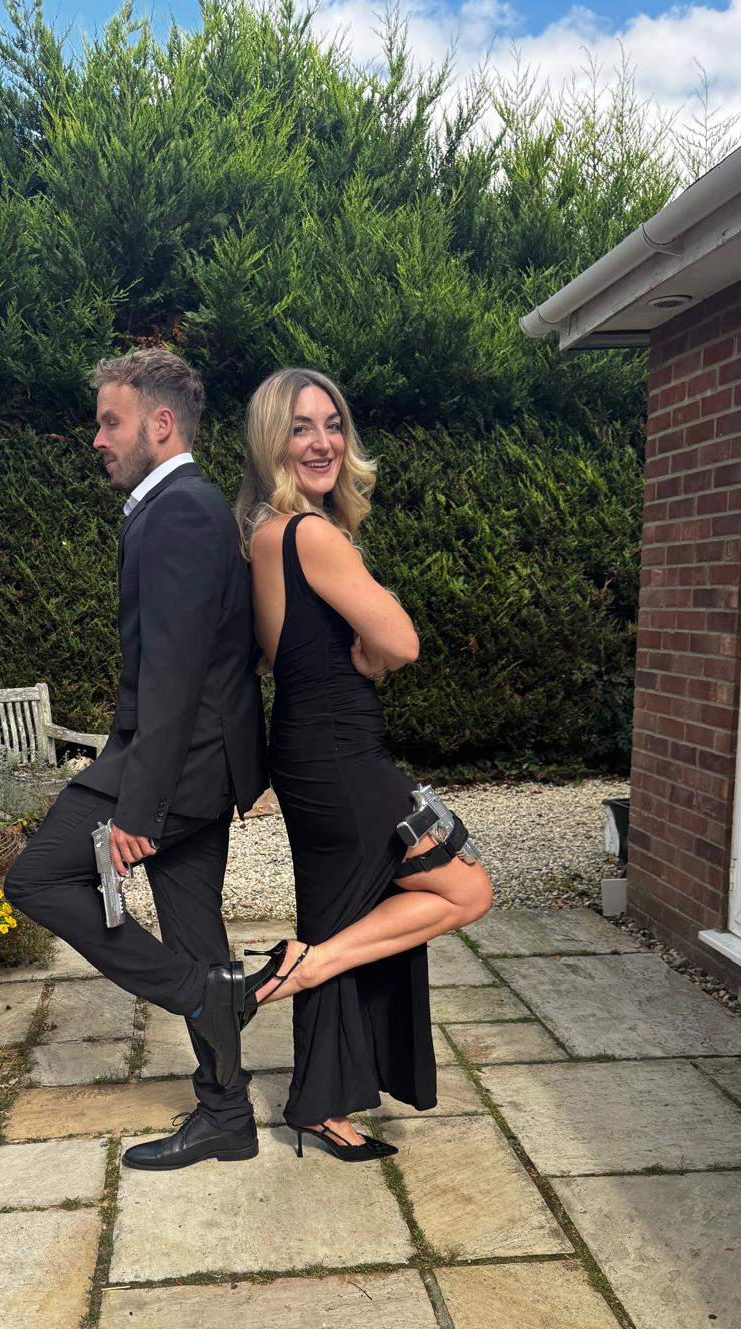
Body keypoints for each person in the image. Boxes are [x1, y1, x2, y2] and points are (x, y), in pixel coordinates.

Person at [5, 349, 269, 1172]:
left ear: (161, 424)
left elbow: (176, 674)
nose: (96, 438)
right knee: (195, 936)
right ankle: (226, 1113)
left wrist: (138, 810)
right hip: (194, 764)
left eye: (109, 421)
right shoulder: (179, 506)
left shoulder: (182, 510)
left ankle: (202, 995)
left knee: (38, 879)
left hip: (175, 766)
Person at [236, 368, 493, 1161]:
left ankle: (318, 1102)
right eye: (301, 428)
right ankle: (300, 969)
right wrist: (379, 659)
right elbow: (404, 642)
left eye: (332, 424)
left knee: (348, 911)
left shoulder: (264, 539)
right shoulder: (313, 535)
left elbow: (299, 655)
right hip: (343, 757)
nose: (321, 443)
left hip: (309, 750)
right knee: (464, 887)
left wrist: (369, 663)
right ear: (272, 443)